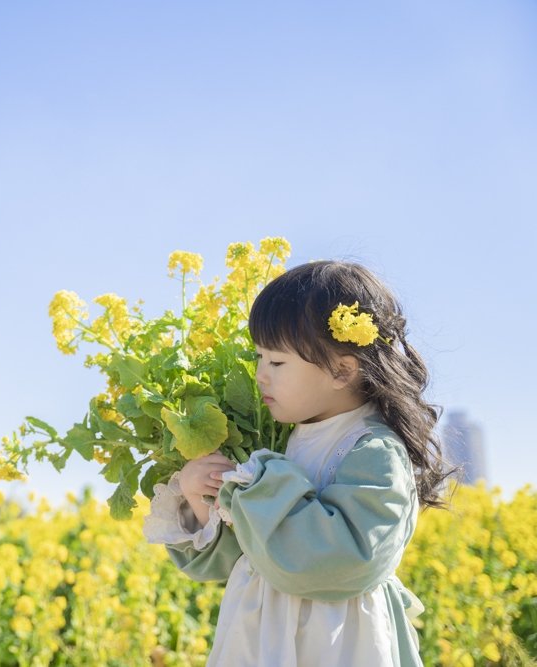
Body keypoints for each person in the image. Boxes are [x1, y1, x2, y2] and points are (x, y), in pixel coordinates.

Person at [143, 260, 455, 667]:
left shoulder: (373, 449)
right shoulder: (279, 440)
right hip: (257, 637)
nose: (260, 376)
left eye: (276, 362)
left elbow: (344, 562)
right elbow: (237, 558)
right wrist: (201, 495)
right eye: (259, 358)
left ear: (342, 370)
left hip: (337, 641)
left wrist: (255, 486)